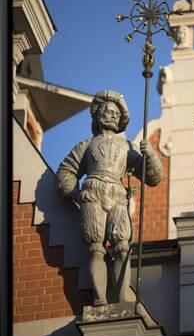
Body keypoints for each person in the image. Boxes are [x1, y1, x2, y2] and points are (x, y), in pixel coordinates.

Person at [56, 90, 163, 306]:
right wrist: (75, 193)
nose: (112, 115)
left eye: (116, 112)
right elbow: (66, 171)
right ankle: (100, 299)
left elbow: (153, 177)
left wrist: (149, 154)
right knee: (95, 246)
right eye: (107, 111)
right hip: (92, 192)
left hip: (117, 194)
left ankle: (122, 299)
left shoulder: (128, 148)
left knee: (122, 246)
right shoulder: (86, 145)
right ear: (97, 116)